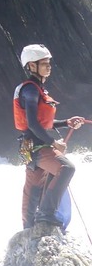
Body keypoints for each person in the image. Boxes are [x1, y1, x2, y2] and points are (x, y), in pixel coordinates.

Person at [13, 43, 84, 229]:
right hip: (37, 146)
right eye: (43, 63)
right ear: (31, 66)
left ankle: (29, 228)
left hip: (32, 146)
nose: (48, 66)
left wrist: (66, 122)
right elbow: (33, 124)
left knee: (33, 188)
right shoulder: (30, 90)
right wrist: (53, 142)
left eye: (48, 63)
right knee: (66, 168)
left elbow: (43, 123)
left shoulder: (37, 90)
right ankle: (46, 215)